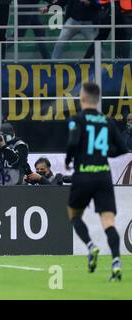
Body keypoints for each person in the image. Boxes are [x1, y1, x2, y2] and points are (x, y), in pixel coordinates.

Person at [65, 82, 128, 281]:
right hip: (103, 176)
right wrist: (106, 153)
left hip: (83, 175)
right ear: (98, 99)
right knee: (108, 222)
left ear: (82, 98)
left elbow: (74, 142)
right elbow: (123, 149)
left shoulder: (77, 120)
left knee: (74, 214)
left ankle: (91, 247)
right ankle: (116, 261)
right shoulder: (107, 121)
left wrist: (68, 160)